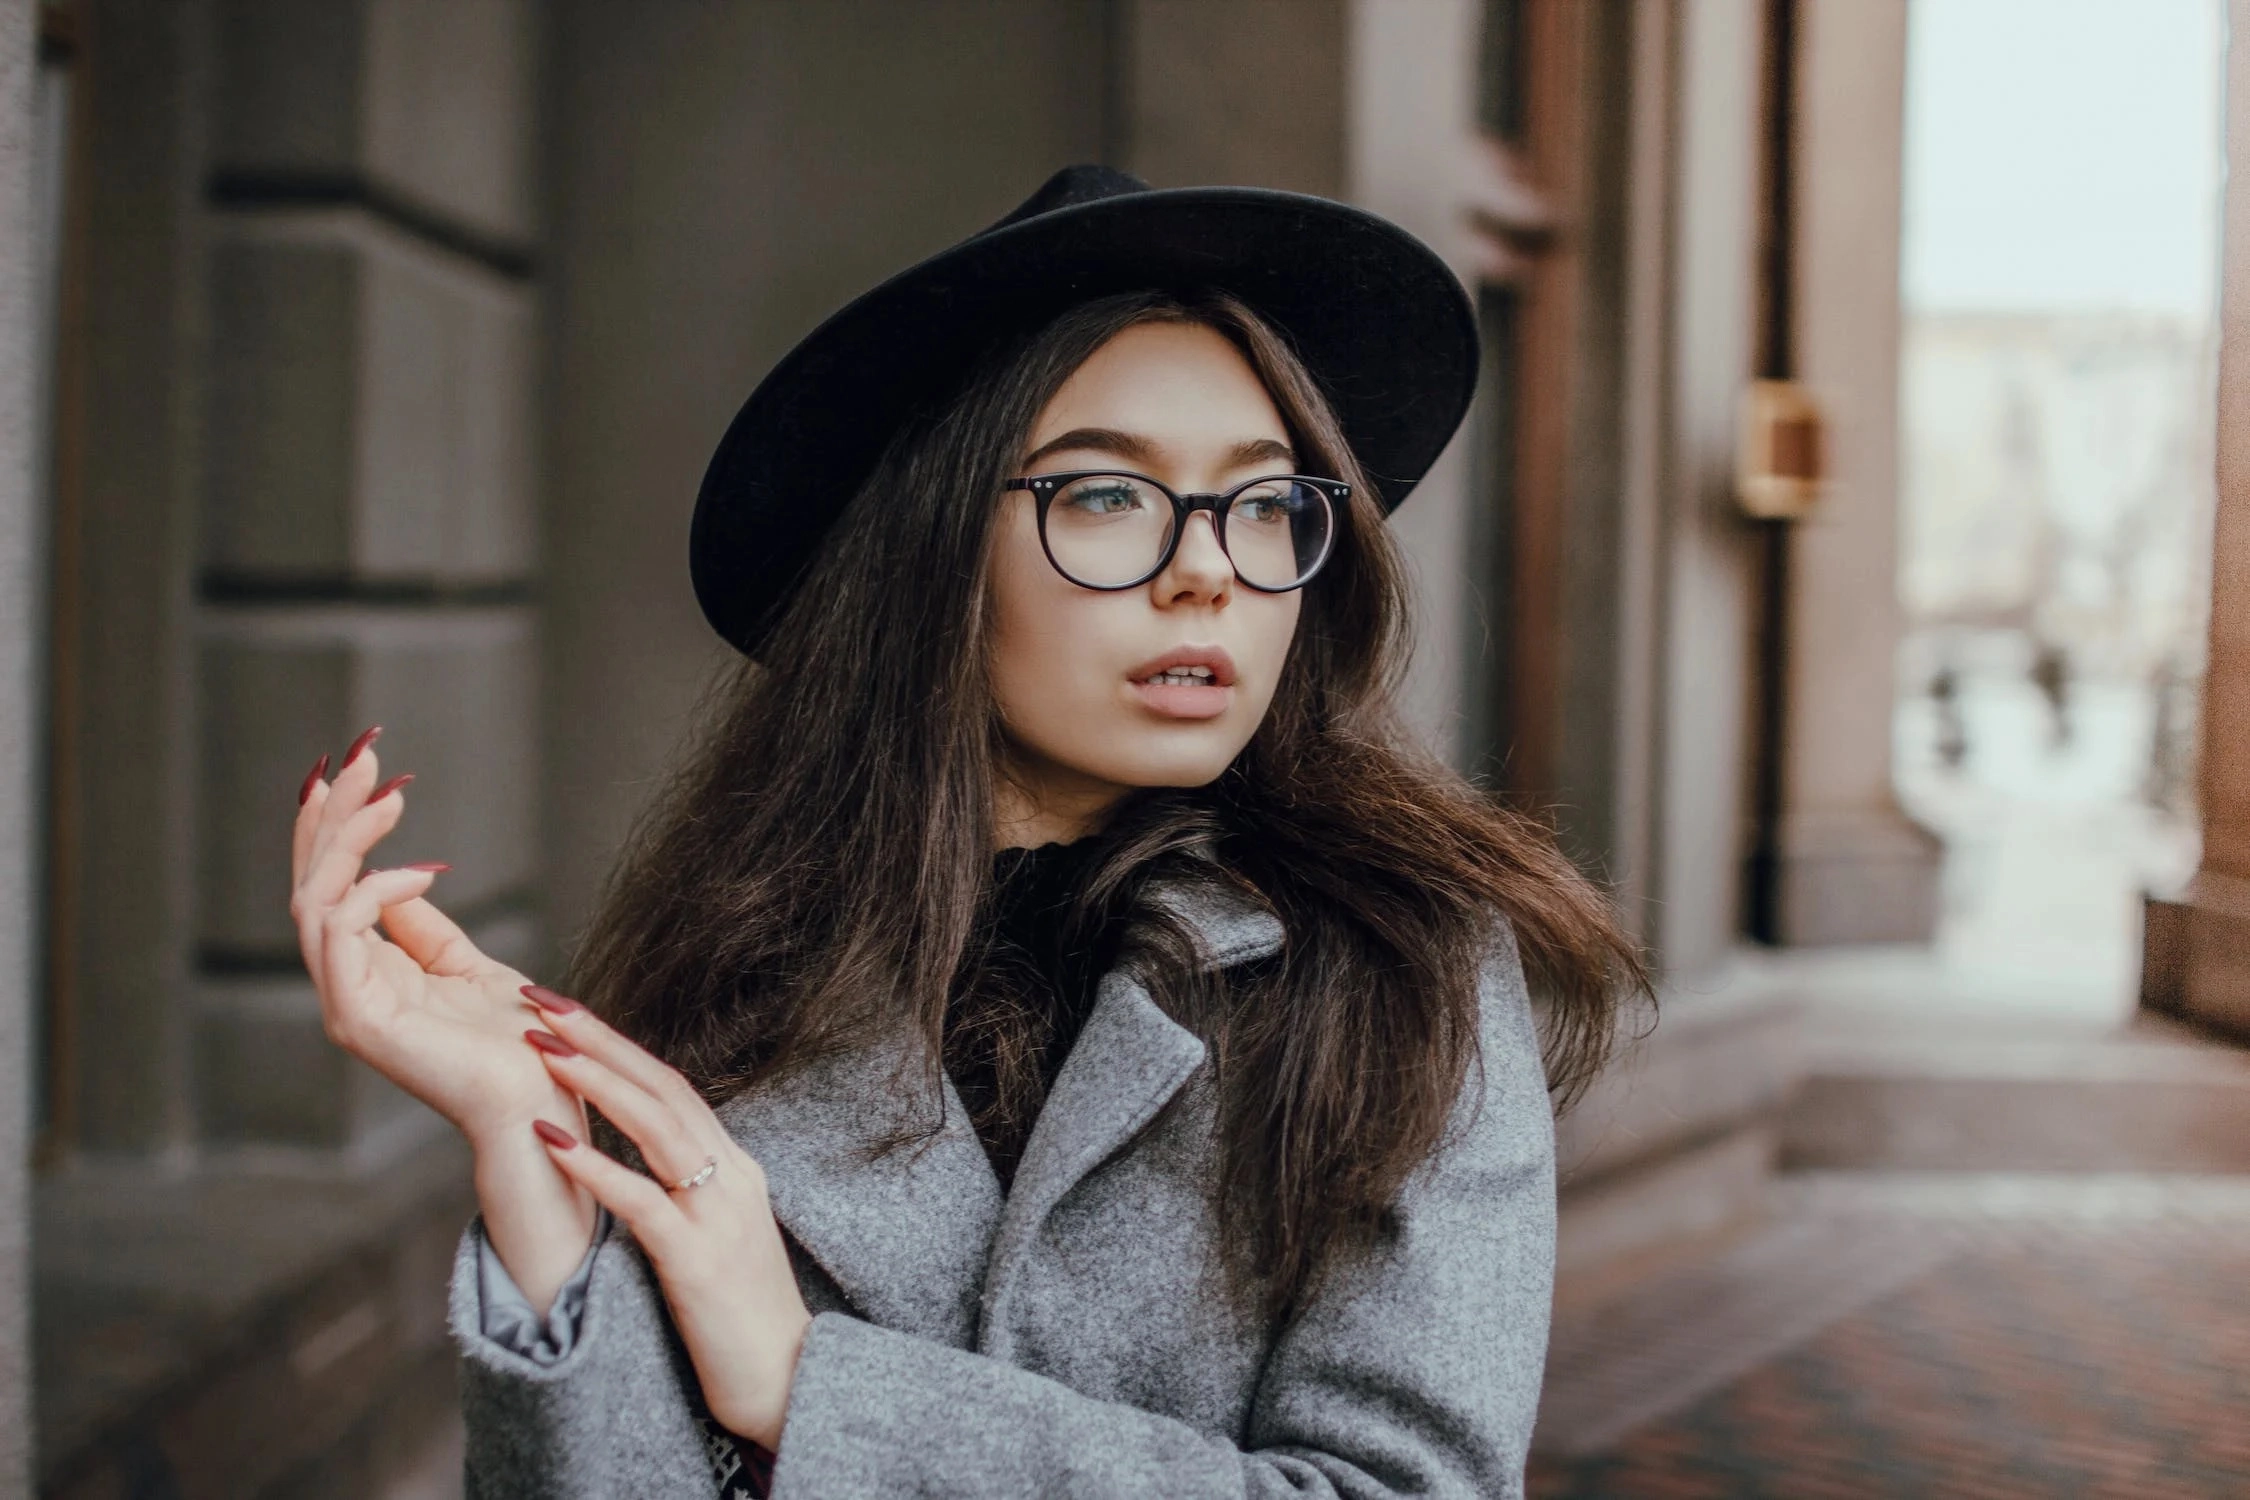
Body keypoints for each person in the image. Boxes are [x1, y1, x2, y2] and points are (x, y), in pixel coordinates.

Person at [288, 166, 1644, 1498]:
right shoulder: (748, 977)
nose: (1205, 571)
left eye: (1263, 502)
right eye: (1105, 495)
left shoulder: (1401, 967)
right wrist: (540, 1175)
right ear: (934, 556)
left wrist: (811, 1391)